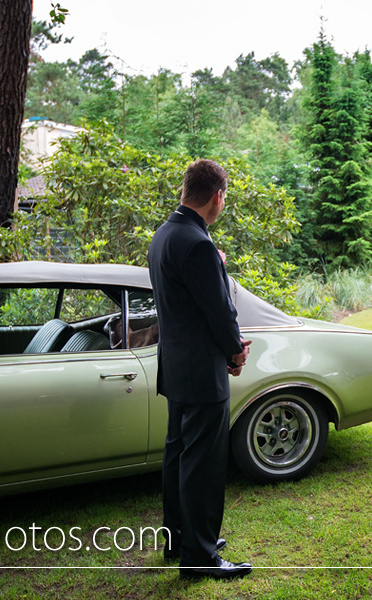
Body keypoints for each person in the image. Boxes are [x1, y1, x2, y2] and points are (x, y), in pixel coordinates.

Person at [147, 159, 252, 581]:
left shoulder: (165, 235)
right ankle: (200, 555)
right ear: (217, 196)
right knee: (203, 464)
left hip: (174, 364)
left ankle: (179, 538)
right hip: (201, 371)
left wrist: (214, 260)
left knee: (178, 455)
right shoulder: (198, 245)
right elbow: (220, 312)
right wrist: (235, 352)